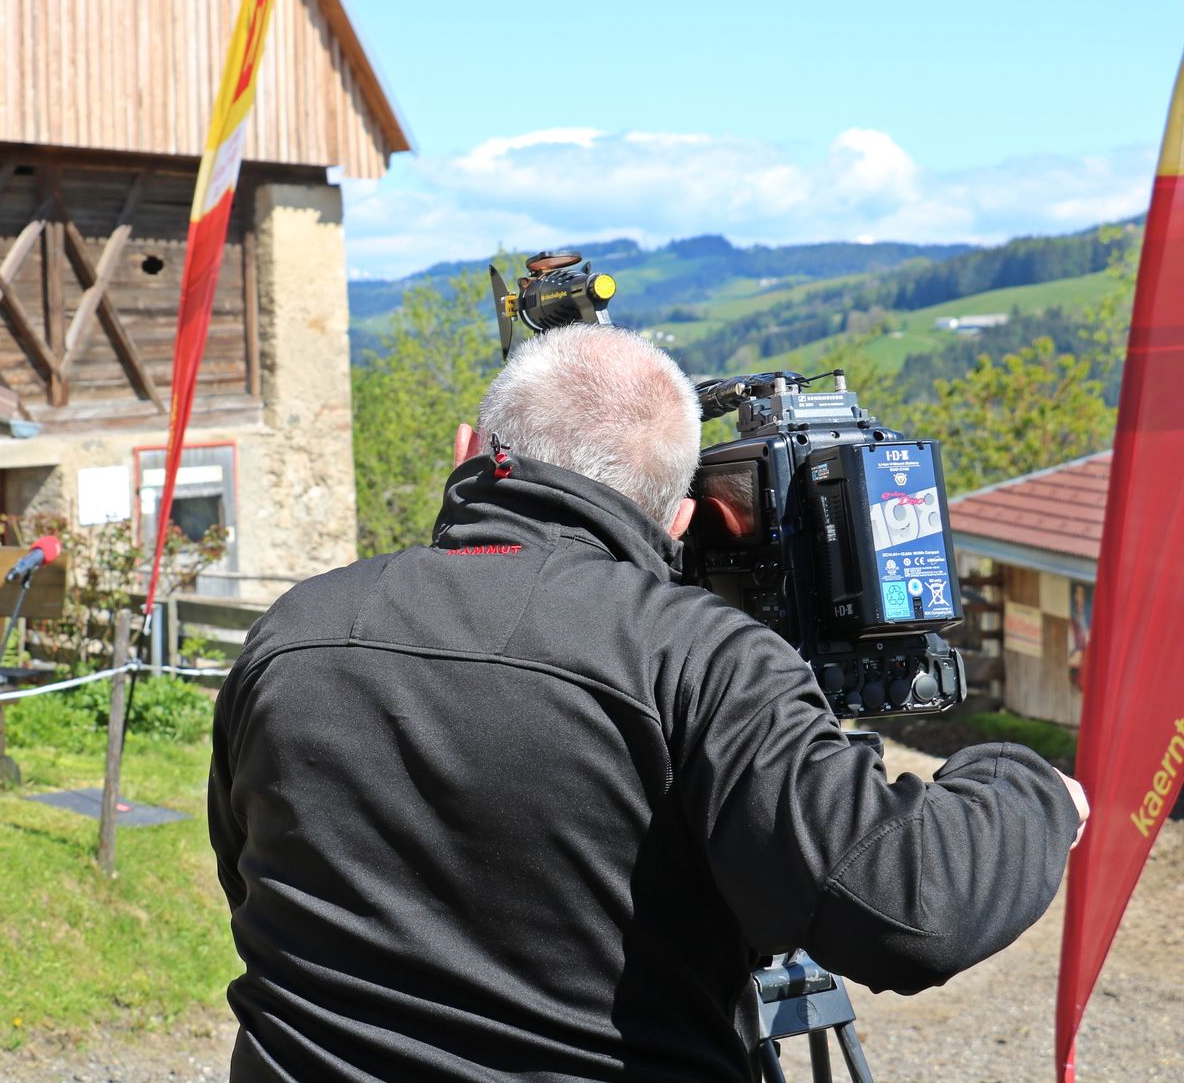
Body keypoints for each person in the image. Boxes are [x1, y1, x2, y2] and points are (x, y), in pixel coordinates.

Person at [208, 323, 1088, 1082]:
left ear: (468, 448)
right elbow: (910, 909)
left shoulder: (295, 630)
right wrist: (1032, 789)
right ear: (675, 524)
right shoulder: (699, 658)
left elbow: (246, 866)